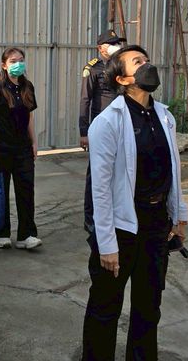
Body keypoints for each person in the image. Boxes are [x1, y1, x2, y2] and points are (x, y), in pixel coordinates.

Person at [81, 45, 188, 361]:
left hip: (156, 223)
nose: (147, 65)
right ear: (122, 78)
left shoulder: (164, 116)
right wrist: (106, 244)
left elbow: (173, 170)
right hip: (121, 226)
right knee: (105, 306)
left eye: (147, 59)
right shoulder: (108, 122)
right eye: (137, 61)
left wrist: (179, 216)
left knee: (149, 305)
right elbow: (100, 190)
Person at [0, 47, 41, 250]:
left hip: (23, 148)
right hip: (1, 148)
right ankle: (1, 233)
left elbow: (29, 116)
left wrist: (34, 142)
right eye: (13, 61)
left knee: (26, 191)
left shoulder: (27, 86)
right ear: (4, 65)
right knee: (0, 192)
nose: (18, 64)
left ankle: (27, 235)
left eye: (21, 60)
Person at [79, 29, 126, 233]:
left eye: (117, 43)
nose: (116, 46)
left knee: (120, 172)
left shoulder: (122, 66)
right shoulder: (93, 68)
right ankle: (90, 218)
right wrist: (84, 131)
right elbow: (85, 100)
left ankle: (116, 215)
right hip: (101, 128)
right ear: (101, 48)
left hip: (122, 125)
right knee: (96, 174)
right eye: (112, 43)